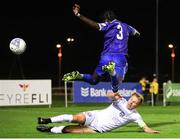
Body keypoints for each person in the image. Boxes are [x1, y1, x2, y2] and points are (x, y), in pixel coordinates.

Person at [62, 4, 140, 93]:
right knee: (117, 82)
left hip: (106, 57)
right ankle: (112, 72)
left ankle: (79, 76)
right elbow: (137, 33)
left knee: (94, 80)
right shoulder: (126, 26)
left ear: (106, 19)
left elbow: (95, 25)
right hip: (120, 56)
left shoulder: (108, 24)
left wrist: (78, 15)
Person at [36, 92, 160, 134]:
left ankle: (49, 129)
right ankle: (47, 120)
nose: (131, 103)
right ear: (130, 98)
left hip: (98, 129)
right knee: (76, 118)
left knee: (69, 130)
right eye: (132, 100)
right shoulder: (121, 100)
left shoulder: (135, 115)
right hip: (95, 116)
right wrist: (111, 94)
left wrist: (151, 130)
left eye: (135, 103)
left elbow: (144, 127)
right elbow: (109, 95)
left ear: (138, 105)